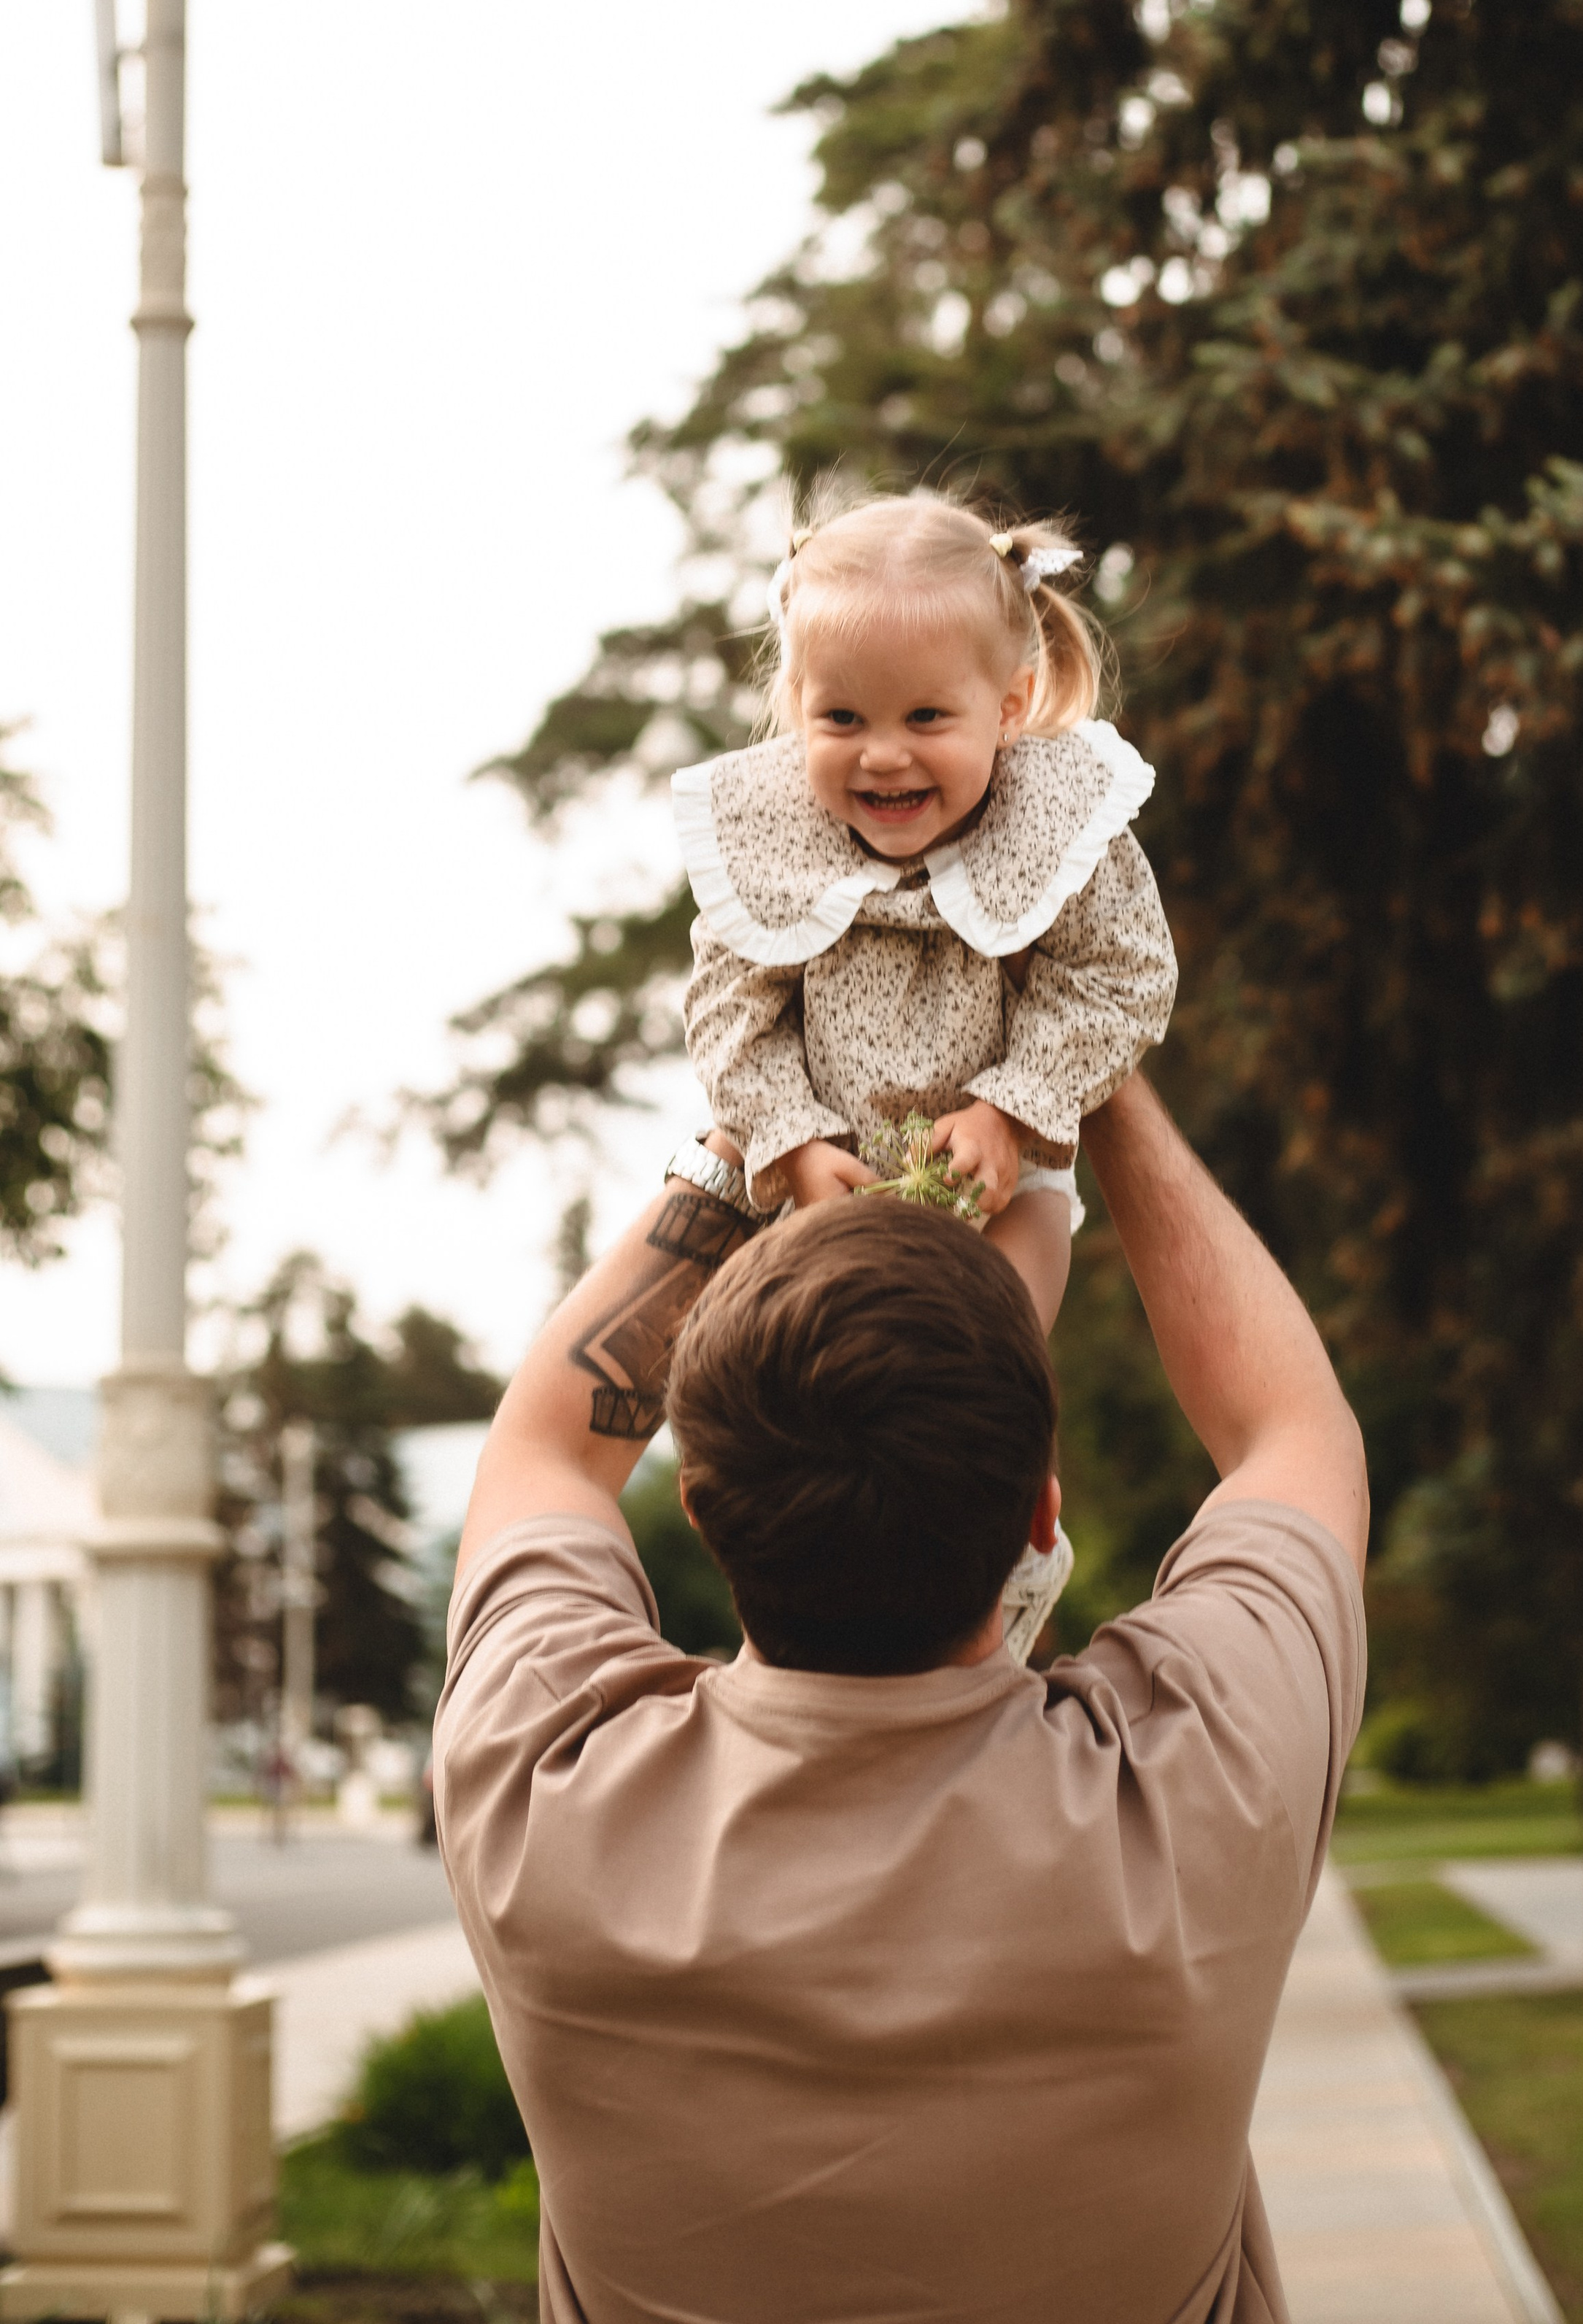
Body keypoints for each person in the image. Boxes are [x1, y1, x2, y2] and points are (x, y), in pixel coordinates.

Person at [436, 1076, 1367, 2324]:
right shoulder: (1203, 1789)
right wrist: (1094, 1077)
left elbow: (546, 1446)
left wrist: (760, 1112)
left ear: (706, 1518)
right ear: (1040, 1509)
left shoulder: (541, 1800)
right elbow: (1288, 1428)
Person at [675, 488, 1180, 1656]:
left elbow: (1122, 976)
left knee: (983, 1378)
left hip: (1000, 1183)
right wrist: (790, 1138)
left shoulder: (1059, 826)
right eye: (842, 715)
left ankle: (1009, 1558)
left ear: (1007, 707)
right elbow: (728, 1010)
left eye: (926, 716)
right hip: (827, 1190)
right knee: (810, 1411)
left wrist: (1015, 1108)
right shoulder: (776, 845)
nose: (885, 752)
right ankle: (798, 1614)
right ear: (793, 708)